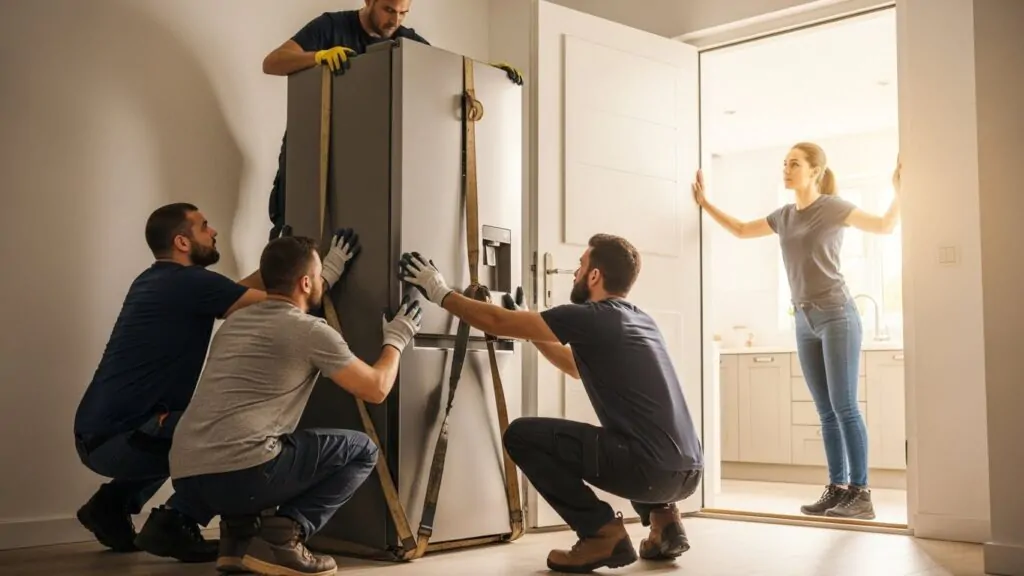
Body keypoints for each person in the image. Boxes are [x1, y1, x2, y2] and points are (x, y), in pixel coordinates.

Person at [398, 234, 704, 573]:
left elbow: (497, 322)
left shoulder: (591, 316)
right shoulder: (640, 319)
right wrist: (530, 325)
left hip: (650, 472)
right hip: (688, 473)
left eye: (580, 265)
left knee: (521, 435)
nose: (575, 273)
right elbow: (574, 366)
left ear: (594, 276)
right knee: (638, 432)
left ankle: (599, 533)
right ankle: (666, 524)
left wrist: (440, 293)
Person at [71, 203, 351, 562]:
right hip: (120, 440)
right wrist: (324, 272)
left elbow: (236, 291)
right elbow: (286, 302)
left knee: (192, 425)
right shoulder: (188, 283)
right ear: (182, 242)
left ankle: (110, 506)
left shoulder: (159, 279)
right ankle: (173, 522)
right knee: (213, 434)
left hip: (99, 434)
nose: (214, 231)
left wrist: (282, 262)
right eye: (204, 227)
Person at [169, 232, 422, 576]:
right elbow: (376, 389)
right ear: (306, 282)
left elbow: (287, 309)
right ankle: (286, 536)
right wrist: (398, 337)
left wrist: (325, 269)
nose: (322, 280)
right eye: (319, 276)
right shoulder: (311, 331)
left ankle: (236, 544)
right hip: (241, 475)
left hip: (186, 474)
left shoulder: (234, 323)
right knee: (363, 449)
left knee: (254, 440)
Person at [692, 142, 901, 520]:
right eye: (784, 164)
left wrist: (899, 192)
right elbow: (740, 230)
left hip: (838, 314)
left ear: (815, 170)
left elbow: (885, 226)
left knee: (845, 406)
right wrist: (706, 204)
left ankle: (862, 494)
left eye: (794, 164)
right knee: (824, 411)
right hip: (803, 320)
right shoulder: (784, 215)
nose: (786, 170)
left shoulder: (833, 207)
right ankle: (838, 489)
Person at [261, 0, 431, 240]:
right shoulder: (332, 26)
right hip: (312, 152)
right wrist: (317, 56)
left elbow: (438, 71)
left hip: (364, 159)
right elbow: (272, 63)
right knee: (295, 236)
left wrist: (488, 75)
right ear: (369, 1)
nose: (395, 21)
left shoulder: (407, 41)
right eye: (389, 10)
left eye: (403, 13)